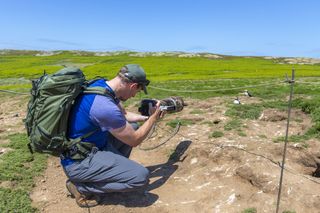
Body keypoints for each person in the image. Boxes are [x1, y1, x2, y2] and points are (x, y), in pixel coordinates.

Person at [60, 64, 163, 207]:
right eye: (136, 92)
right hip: (79, 162)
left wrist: (146, 119)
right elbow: (135, 140)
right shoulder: (105, 106)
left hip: (87, 147)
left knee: (132, 126)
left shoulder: (101, 86)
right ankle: (80, 187)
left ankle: (113, 170)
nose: (134, 96)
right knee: (140, 177)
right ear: (133, 86)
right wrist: (153, 118)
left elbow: (124, 115)